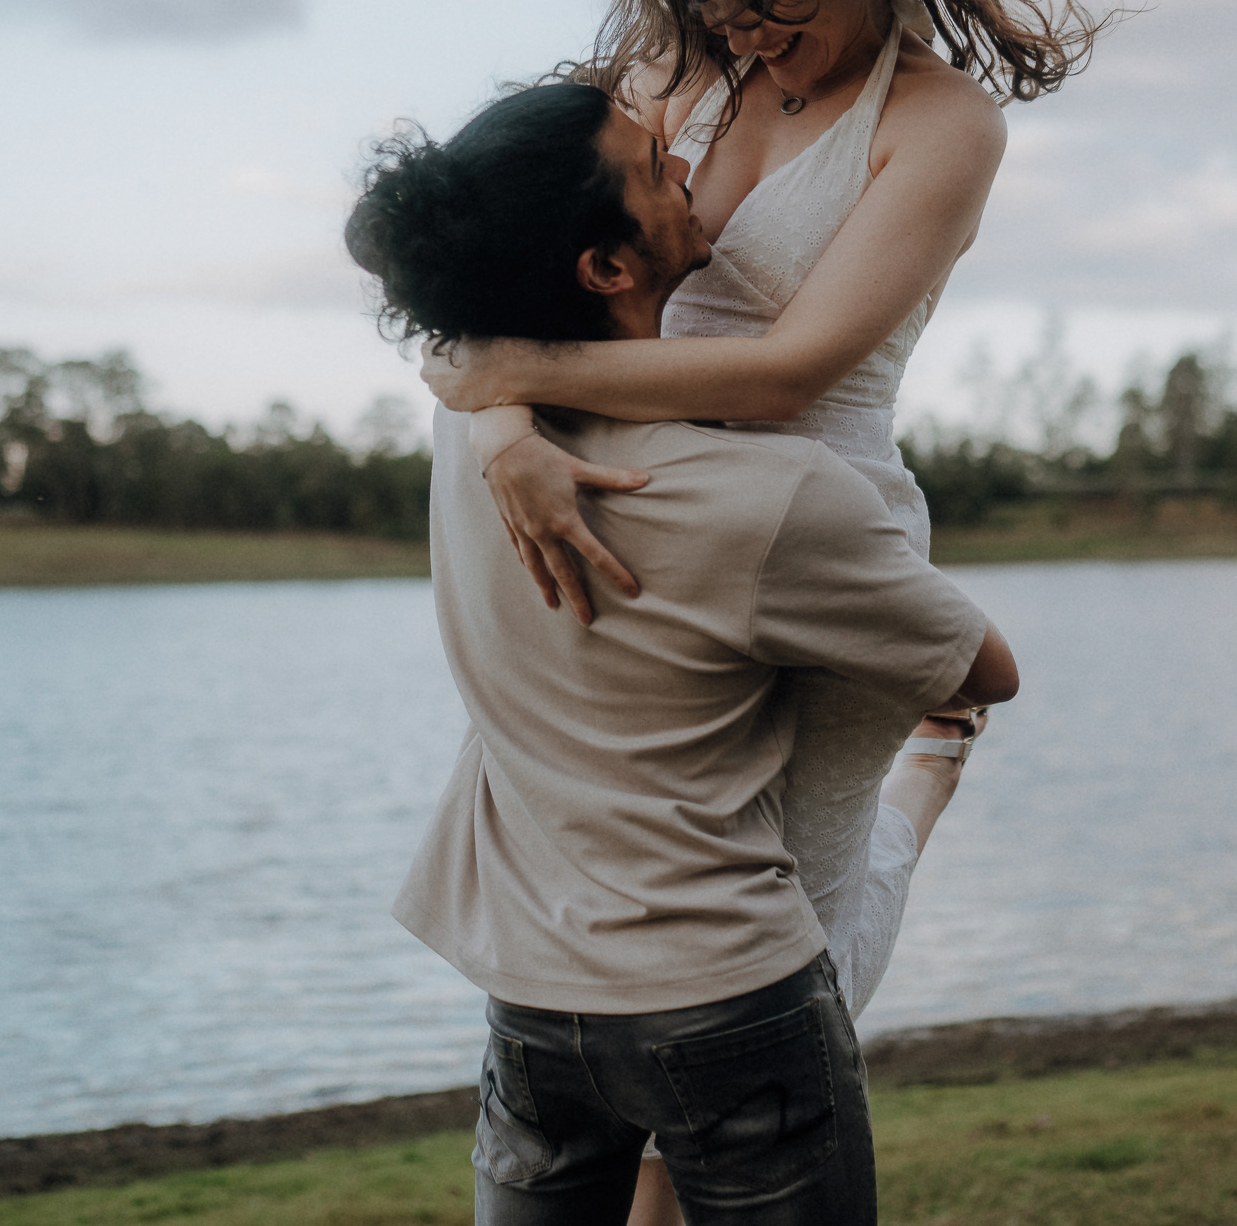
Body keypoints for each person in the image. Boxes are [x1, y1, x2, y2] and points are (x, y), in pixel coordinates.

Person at [421, 0, 1106, 1024]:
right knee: (609, 922)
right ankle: (934, 765)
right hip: (635, 526)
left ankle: (922, 771)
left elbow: (795, 365)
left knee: (767, 938)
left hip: (812, 535)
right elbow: (482, 291)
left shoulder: (939, 123)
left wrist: (518, 383)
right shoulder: (661, 76)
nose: (735, 28)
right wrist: (507, 433)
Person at [346, 77, 1019, 1225]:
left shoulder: (467, 436)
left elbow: (471, 368)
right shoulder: (770, 499)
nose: (690, 170)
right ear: (606, 268)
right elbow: (982, 672)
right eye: (656, 167)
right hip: (723, 1003)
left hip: (529, 990)